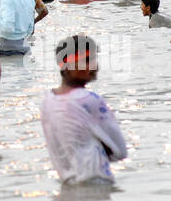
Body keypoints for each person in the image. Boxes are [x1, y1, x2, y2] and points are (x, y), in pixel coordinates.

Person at [40, 34, 127, 184]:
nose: (94, 66)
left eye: (94, 59)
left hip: (66, 188)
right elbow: (120, 151)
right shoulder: (89, 100)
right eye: (86, 60)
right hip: (96, 185)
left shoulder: (47, 101)